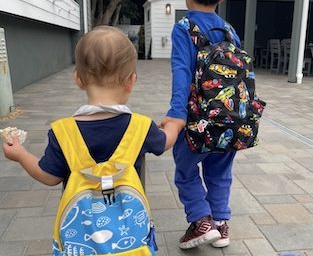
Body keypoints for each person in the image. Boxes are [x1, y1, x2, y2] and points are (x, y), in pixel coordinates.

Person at [2, 25, 181, 191]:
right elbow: (166, 141)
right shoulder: (141, 127)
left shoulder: (62, 132)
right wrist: (175, 123)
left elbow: (49, 177)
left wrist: (20, 155)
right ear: (131, 81)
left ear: (78, 79)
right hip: (131, 223)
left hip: (81, 224)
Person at [161, 0, 241, 249]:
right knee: (220, 173)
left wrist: (176, 115)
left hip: (198, 120)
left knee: (185, 171)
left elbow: (181, 72)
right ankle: (221, 224)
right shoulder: (229, 30)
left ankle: (200, 221)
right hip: (231, 119)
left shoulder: (185, 28)